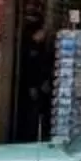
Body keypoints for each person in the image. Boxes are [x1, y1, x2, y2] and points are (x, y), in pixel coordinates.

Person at [16, 16, 54, 144]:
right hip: (32, 86)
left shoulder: (39, 46)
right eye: (42, 32)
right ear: (36, 33)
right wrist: (32, 86)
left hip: (40, 85)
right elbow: (28, 68)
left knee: (38, 112)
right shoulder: (29, 48)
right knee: (32, 112)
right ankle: (29, 136)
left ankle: (35, 134)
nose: (44, 34)